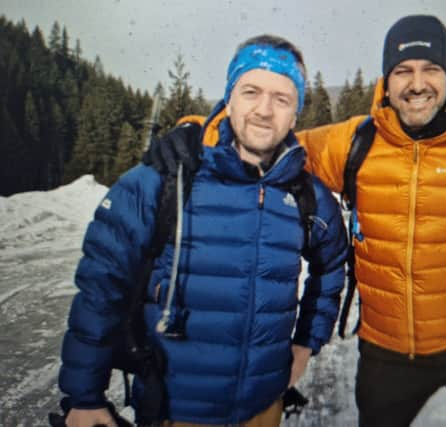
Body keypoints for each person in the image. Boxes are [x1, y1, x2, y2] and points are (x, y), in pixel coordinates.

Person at [153, 15, 446, 427]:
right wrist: (197, 133)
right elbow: (269, 137)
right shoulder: (356, 142)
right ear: (387, 80)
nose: (417, 84)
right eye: (403, 71)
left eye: (430, 69)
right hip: (388, 353)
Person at [57, 34, 348, 427]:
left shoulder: (306, 194)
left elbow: (331, 265)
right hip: (175, 413)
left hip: (264, 409)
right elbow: (100, 285)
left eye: (282, 98)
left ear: (296, 112)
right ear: (229, 99)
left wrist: (306, 341)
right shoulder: (163, 180)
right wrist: (84, 396)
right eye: (251, 91)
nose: (265, 110)